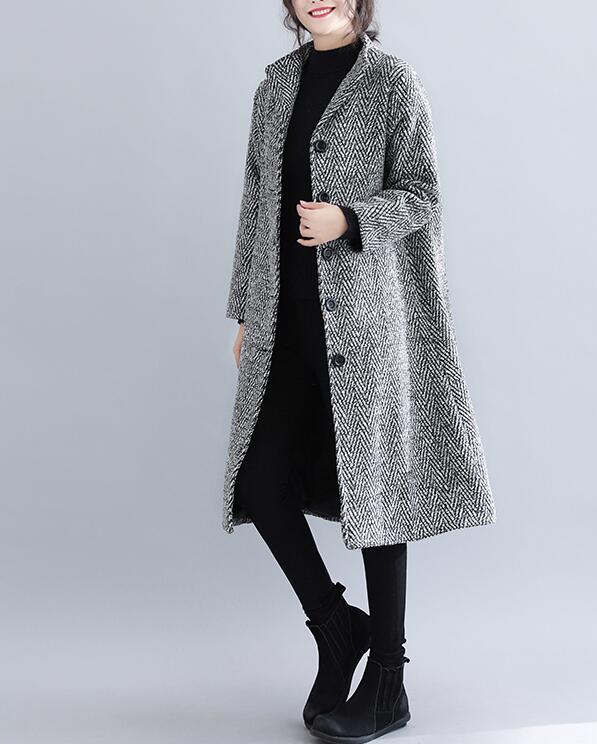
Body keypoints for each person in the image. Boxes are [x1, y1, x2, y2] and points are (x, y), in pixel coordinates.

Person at [223, 2, 496, 742]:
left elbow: (421, 195)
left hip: (364, 322)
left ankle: (389, 684)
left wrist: (349, 219)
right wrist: (245, 309)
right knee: (260, 483)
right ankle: (338, 627)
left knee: (373, 495)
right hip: (284, 319)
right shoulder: (275, 84)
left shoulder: (391, 81)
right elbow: (256, 200)